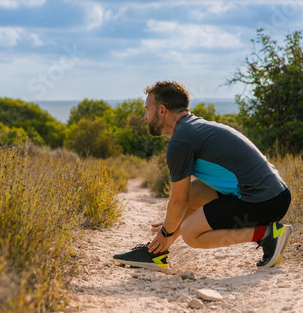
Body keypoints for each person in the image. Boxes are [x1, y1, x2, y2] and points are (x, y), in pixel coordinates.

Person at [113, 81, 292, 270]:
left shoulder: (180, 141)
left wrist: (167, 230)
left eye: (147, 110)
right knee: (195, 190)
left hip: (265, 202)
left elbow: (178, 202)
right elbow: (185, 198)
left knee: (191, 232)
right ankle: (156, 254)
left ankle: (267, 235)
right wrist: (170, 225)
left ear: (162, 111)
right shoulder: (192, 128)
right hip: (276, 194)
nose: (144, 117)